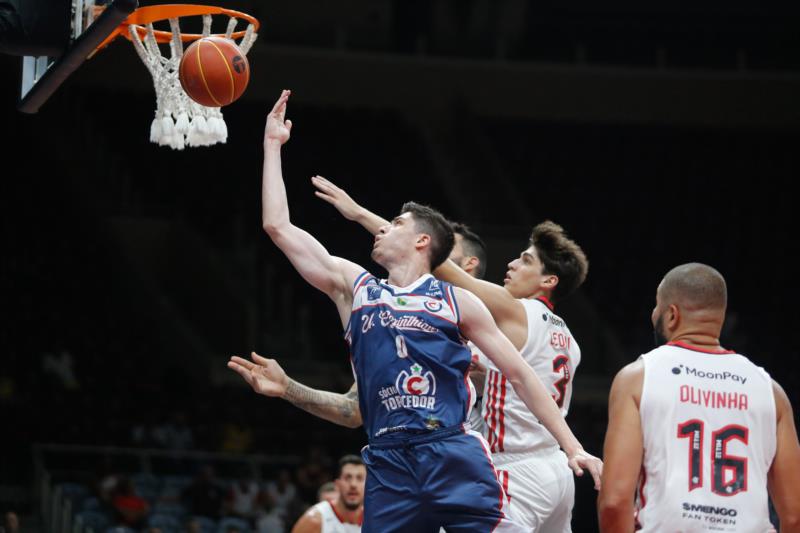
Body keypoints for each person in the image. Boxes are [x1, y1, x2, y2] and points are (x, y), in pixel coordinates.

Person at [230, 90, 600, 532]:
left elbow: (521, 375)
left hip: (452, 452)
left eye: (398, 225)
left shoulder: (458, 301)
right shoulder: (357, 286)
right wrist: (272, 146)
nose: (384, 231)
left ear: (423, 241)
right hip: (388, 460)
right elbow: (278, 227)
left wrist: (573, 446)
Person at [311, 177, 589, 531]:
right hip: (557, 467)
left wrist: (361, 215)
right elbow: (514, 377)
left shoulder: (512, 309)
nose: (512, 266)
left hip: (515, 465)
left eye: (525, 261)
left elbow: (436, 263)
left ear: (548, 281)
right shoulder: (568, 338)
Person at [597, 263, 800, 532]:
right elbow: (794, 514)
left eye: (656, 306)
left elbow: (614, 502)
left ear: (671, 315)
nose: (652, 313)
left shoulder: (638, 378)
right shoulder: (771, 391)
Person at [291, 455, 366, 533]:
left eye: (359, 478)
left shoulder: (375, 520)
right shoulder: (314, 520)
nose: (353, 484)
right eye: (347, 478)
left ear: (368, 485)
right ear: (337, 484)